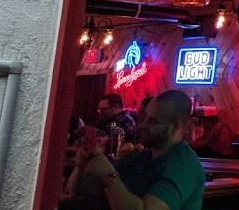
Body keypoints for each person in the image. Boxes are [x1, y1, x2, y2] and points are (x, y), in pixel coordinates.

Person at [76, 90, 204, 210]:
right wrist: (82, 165)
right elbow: (82, 192)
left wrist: (108, 175)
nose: (143, 125)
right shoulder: (138, 158)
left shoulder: (183, 166)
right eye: (144, 117)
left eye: (153, 121)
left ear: (178, 126)